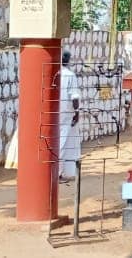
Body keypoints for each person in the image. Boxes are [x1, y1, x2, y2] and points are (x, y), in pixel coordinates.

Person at [58, 51, 83, 183]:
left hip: (51, 113)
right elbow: (74, 97)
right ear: (67, 60)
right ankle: (57, 173)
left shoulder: (53, 73)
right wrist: (77, 112)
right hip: (66, 114)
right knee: (61, 143)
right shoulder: (69, 75)